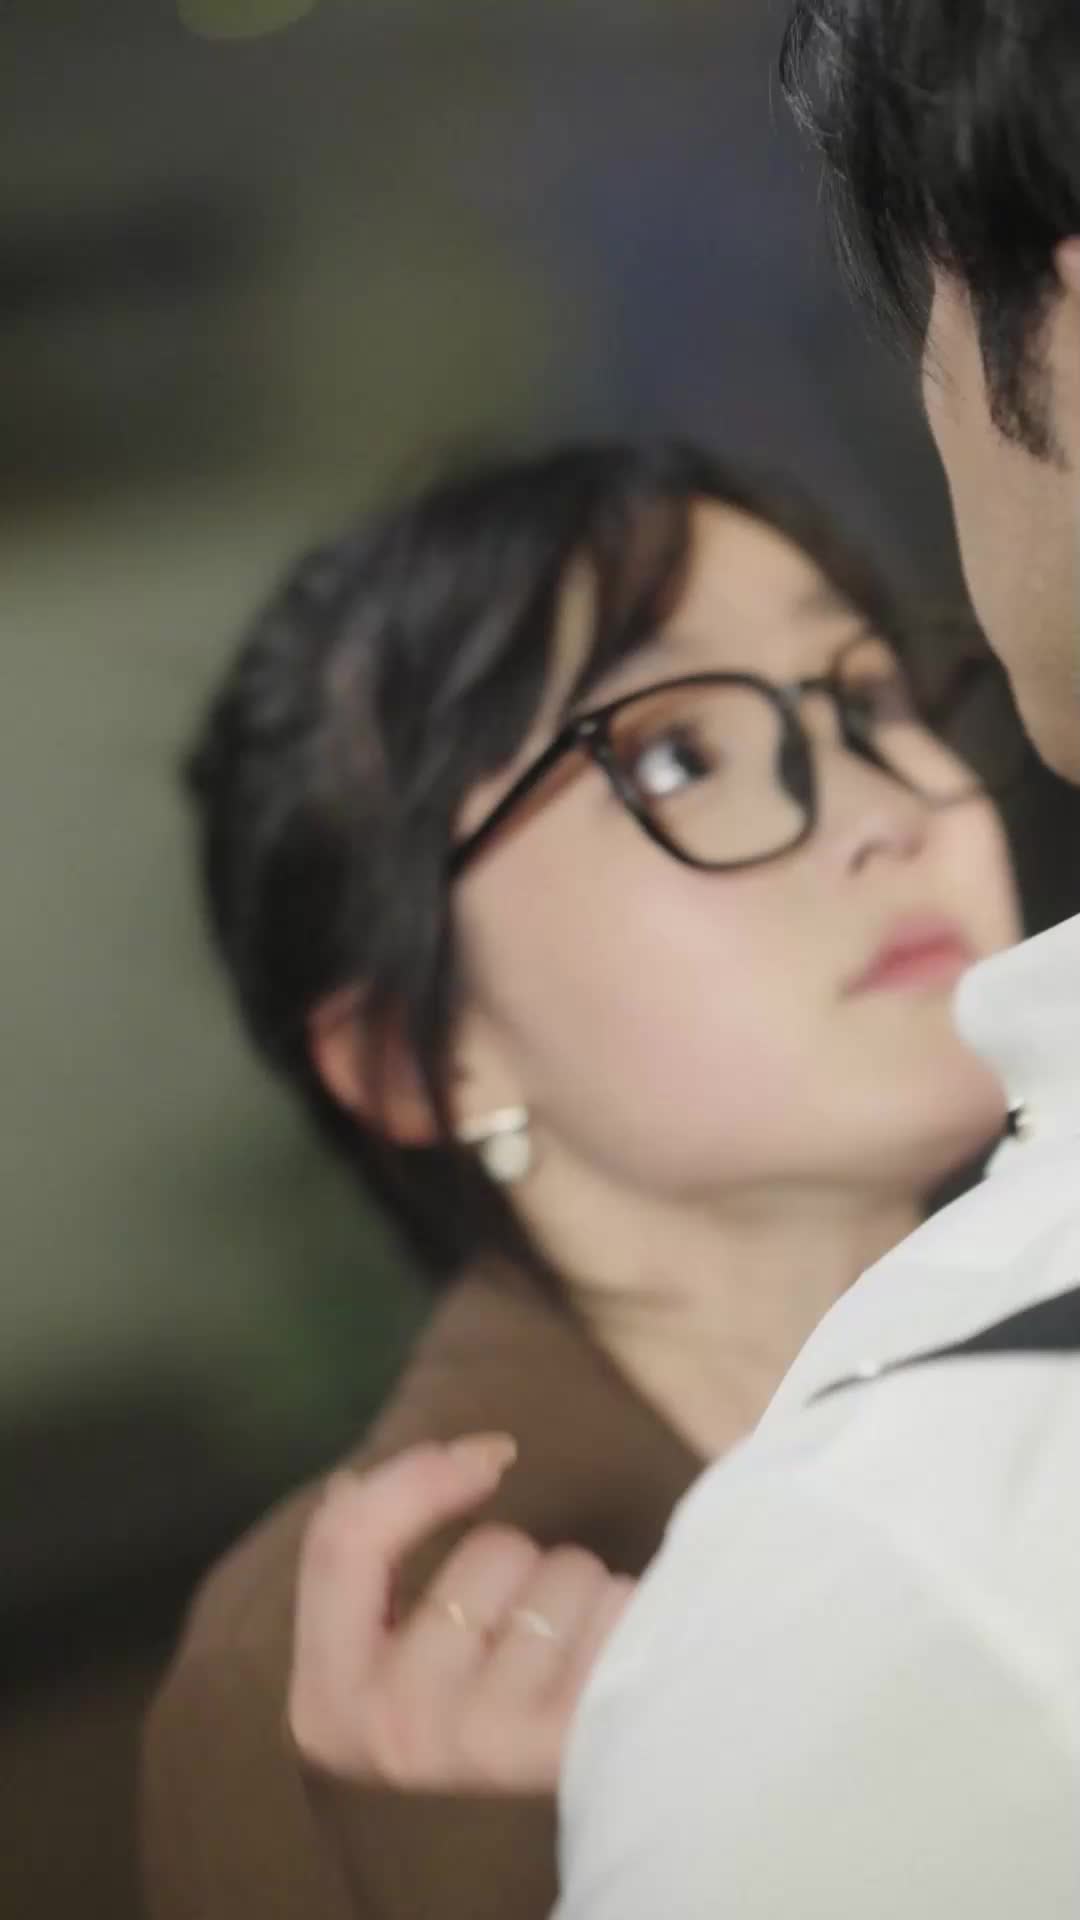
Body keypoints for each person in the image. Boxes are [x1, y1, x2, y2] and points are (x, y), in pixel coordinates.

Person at [140, 439, 1023, 1920]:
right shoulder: (353, 1678)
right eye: (677, 756)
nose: (890, 809)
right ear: (422, 1061)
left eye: (868, 700)